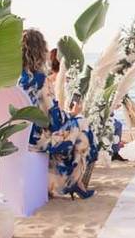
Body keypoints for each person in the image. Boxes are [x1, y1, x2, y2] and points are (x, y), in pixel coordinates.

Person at [19, 29, 97, 199]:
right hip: (38, 140)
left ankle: (65, 181)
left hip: (19, 137)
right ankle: (72, 181)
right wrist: (72, 113)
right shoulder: (40, 80)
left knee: (74, 127)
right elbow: (55, 120)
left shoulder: (15, 80)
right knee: (82, 124)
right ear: (40, 52)